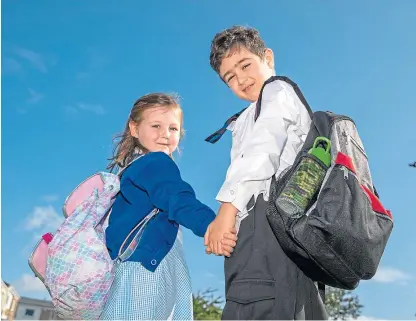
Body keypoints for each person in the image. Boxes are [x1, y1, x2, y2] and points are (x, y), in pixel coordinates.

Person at [204, 26, 328, 320]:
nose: (241, 79)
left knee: (258, 304)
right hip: (270, 229)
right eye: (229, 78)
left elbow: (263, 151)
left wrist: (227, 209)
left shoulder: (277, 90)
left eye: (244, 65)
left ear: (267, 57)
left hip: (272, 225)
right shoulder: (246, 116)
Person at [101, 93, 237, 320]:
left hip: (131, 269)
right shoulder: (155, 162)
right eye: (156, 126)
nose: (165, 135)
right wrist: (213, 226)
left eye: (173, 129)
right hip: (145, 271)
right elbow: (177, 198)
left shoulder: (132, 169)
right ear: (135, 129)